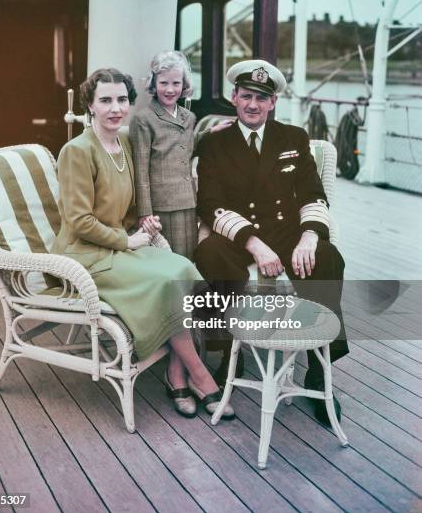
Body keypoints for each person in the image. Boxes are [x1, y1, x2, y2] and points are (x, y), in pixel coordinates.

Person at [51, 68, 233, 420]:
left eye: (121, 99)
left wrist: (141, 221)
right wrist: (127, 239)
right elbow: (79, 221)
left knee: (182, 267)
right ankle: (200, 375)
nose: (115, 108)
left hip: (119, 245)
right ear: (90, 105)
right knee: (165, 283)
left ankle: (175, 372)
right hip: (83, 256)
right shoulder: (77, 151)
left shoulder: (123, 144)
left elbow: (127, 204)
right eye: (105, 100)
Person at [194, 59, 349, 426]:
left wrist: (310, 235)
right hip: (241, 235)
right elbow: (210, 205)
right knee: (209, 253)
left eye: (261, 98)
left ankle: (318, 367)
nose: (253, 104)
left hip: (288, 233)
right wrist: (255, 246)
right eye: (246, 96)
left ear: (273, 102)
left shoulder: (293, 138)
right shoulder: (215, 143)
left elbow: (314, 193)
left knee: (327, 257)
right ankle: (227, 348)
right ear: (233, 97)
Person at [129, 51, 231, 260]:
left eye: (176, 83)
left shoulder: (189, 116)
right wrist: (145, 213)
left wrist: (209, 133)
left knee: (189, 258)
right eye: (163, 83)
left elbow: (185, 149)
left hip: (188, 200)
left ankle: (189, 293)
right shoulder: (143, 119)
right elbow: (140, 170)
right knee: (168, 261)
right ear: (153, 83)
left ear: (184, 85)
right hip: (161, 206)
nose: (169, 89)